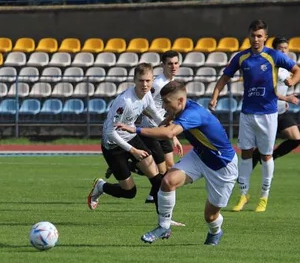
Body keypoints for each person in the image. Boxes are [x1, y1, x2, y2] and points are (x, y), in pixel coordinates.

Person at [115, 79, 238, 245]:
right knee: (167, 181)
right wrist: (162, 123)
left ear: (180, 100)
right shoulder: (182, 107)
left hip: (222, 166)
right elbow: (169, 119)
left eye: (166, 102)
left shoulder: (193, 113)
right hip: (199, 156)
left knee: (210, 216)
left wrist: (136, 129)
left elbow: (169, 132)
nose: (164, 106)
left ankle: (215, 231)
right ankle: (164, 226)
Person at [208, 20, 300, 213]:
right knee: (246, 153)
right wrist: (215, 96)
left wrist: (293, 80)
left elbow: (298, 70)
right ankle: (243, 195)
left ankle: (264, 197)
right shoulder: (241, 58)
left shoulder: (274, 55)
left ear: (265, 37)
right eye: (253, 35)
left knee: (267, 155)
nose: (256, 39)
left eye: (260, 36)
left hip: (268, 114)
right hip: (247, 113)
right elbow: (225, 77)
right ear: (249, 36)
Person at [86, 63, 179, 211]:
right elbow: (110, 132)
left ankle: (164, 221)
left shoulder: (147, 95)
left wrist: (172, 134)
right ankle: (101, 186)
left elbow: (156, 115)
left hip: (130, 137)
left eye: (148, 80)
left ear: (152, 80)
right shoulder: (125, 102)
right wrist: (133, 151)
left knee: (157, 179)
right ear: (134, 80)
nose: (145, 84)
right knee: (130, 192)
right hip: (113, 145)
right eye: (141, 80)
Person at [239, 37, 300, 194]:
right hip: (267, 112)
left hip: (281, 111)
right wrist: (285, 97)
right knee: (252, 150)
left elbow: (288, 81)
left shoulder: (286, 68)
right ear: (274, 50)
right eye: (280, 48)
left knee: (296, 138)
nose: (283, 51)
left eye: (286, 48)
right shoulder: (272, 66)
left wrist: (286, 97)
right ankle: (242, 180)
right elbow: (268, 90)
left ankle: (269, 158)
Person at [140, 50, 183, 203]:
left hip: (163, 129)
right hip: (152, 129)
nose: (173, 66)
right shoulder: (158, 84)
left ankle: (153, 195)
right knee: (160, 168)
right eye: (170, 63)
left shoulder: (174, 83)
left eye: (176, 63)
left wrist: (173, 134)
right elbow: (144, 105)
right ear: (162, 65)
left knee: (170, 167)